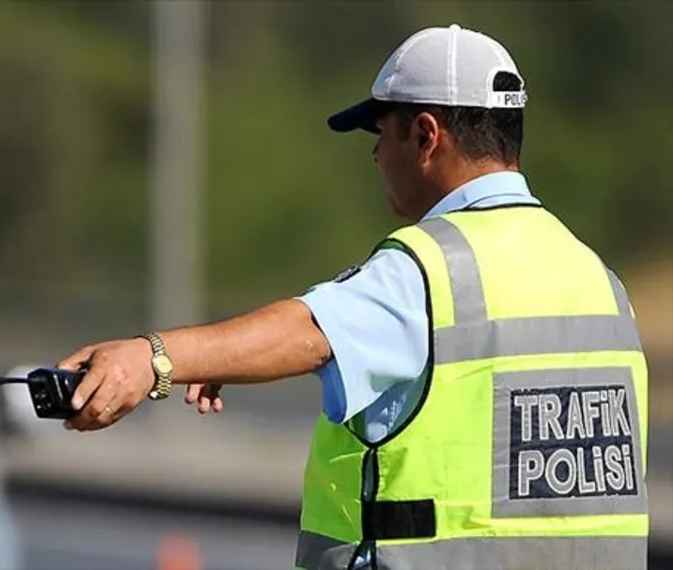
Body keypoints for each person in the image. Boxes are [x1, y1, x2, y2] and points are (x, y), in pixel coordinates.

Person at [56, 24, 649, 570]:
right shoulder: (599, 279)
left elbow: (308, 333)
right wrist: (224, 360)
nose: (373, 155)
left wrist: (151, 358)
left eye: (379, 132)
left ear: (425, 135)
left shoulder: (431, 267)